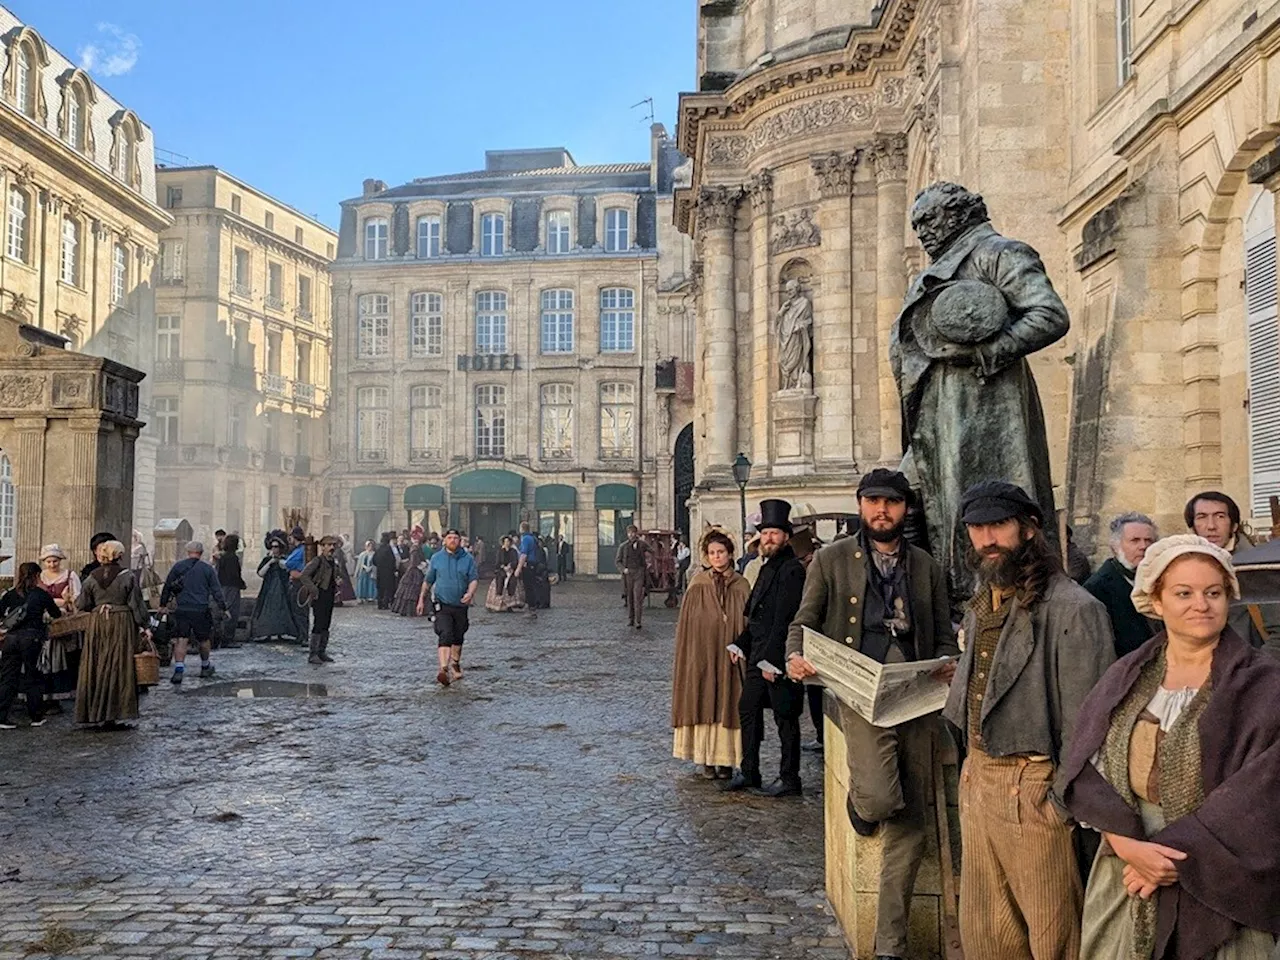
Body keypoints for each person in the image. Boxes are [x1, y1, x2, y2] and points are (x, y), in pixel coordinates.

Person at [1061, 535, 1280, 959]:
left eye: (1213, 592)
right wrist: (1127, 846)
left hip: (1225, 870)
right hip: (1129, 860)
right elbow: (1088, 768)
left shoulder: (1264, 684)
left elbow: (1264, 790)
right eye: (1184, 593)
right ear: (1156, 602)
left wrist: (1181, 855)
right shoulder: (1126, 678)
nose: (1201, 604)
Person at [786, 470, 958, 960]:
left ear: (905, 509)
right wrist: (796, 658)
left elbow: (943, 634)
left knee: (912, 822)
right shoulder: (831, 559)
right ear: (861, 505)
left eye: (893, 503)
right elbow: (805, 621)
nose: (883, 511)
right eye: (874, 502)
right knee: (883, 800)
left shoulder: (925, 565)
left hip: (918, 696)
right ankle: (861, 807)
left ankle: (890, 946)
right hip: (860, 695)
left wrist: (947, 665)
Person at [942, 480, 1116, 960]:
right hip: (978, 777)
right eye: (977, 528)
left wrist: (1058, 801)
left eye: (998, 525)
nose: (987, 540)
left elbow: (1089, 723)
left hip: (1034, 785)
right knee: (986, 933)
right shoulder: (984, 603)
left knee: (1052, 933)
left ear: (1029, 529)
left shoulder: (1075, 609)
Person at [891, 182, 1068, 600]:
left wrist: (987, 352)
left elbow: (1049, 314)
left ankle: (990, 591)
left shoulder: (999, 253)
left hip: (984, 404)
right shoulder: (935, 269)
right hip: (937, 405)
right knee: (911, 490)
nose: (923, 233)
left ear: (957, 215)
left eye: (929, 221)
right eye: (917, 226)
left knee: (978, 502)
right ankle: (944, 592)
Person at [724, 498, 808, 797]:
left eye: (774, 533)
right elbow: (758, 616)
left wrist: (774, 662)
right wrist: (740, 642)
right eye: (765, 533)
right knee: (747, 708)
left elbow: (786, 619)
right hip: (758, 655)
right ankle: (750, 771)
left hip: (779, 658)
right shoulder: (766, 567)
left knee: (785, 718)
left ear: (786, 536)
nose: (769, 538)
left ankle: (790, 778)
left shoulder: (792, 570)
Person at [671, 529, 751, 779]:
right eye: (712, 553)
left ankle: (726, 760)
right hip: (703, 653)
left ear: (730, 554)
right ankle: (705, 758)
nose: (717, 557)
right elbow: (688, 624)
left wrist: (742, 644)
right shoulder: (698, 583)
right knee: (704, 696)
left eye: (721, 552)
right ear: (707, 556)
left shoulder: (741, 584)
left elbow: (748, 620)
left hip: (730, 656)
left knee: (730, 699)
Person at [75, 540, 149, 727]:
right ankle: (114, 713)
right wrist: (145, 625)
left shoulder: (91, 577)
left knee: (96, 664)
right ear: (120, 556)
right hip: (121, 622)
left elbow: (82, 604)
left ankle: (93, 712)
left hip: (98, 623)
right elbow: (136, 604)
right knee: (119, 665)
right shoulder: (127, 576)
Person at [1084, 512, 1160, 658]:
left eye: (1149, 540)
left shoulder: (1159, 580)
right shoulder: (1097, 589)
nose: (1143, 546)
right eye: (1135, 540)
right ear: (1115, 547)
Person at [0, 562, 60, 728]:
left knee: (8, 677)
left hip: (10, 640)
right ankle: (35, 716)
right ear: (36, 576)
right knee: (33, 677)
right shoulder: (41, 595)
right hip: (32, 639)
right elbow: (56, 613)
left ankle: (1, 717)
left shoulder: (10, 594)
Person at [160, 541, 228, 685]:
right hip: (201, 609)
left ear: (187, 551)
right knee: (204, 639)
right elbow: (216, 590)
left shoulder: (178, 567)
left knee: (181, 639)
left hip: (182, 608)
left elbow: (167, 586)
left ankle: (179, 670)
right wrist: (223, 607)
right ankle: (205, 666)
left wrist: (163, 604)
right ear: (201, 553)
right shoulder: (208, 569)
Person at [419, 529, 478, 687]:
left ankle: (455, 663)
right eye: (449, 538)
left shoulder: (468, 559)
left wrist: (470, 593)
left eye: (455, 538)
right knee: (445, 633)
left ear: (460, 541)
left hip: (460, 604)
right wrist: (421, 599)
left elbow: (473, 579)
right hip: (442, 603)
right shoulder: (437, 558)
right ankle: (443, 669)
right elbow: (428, 580)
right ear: (444, 541)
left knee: (458, 635)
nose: (452, 540)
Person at [36, 544, 82, 704]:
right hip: (43, 621)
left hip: (63, 622)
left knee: (63, 658)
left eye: (54, 561)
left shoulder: (70, 576)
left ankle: (61, 694)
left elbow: (78, 599)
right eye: (48, 561)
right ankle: (44, 695)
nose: (52, 565)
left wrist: (68, 600)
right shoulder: (39, 577)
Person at [252, 532, 304, 641]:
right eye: (272, 547)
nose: (274, 549)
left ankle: (283, 631)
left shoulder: (286, 559)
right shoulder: (267, 560)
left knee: (284, 610)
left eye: (276, 547)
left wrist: (282, 563)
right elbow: (260, 573)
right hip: (268, 588)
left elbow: (289, 569)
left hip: (283, 589)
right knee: (268, 610)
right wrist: (270, 562)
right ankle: (267, 632)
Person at [299, 536, 340, 665]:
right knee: (318, 624)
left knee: (326, 624)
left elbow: (333, 577)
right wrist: (313, 590)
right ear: (322, 547)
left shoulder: (333, 561)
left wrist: (338, 581)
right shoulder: (317, 561)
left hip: (329, 596)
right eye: (328, 545)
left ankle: (322, 651)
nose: (331, 548)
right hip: (319, 596)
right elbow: (304, 575)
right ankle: (313, 654)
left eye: (333, 545)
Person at [615, 525, 651, 630]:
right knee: (629, 597)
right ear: (627, 534)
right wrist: (623, 569)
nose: (631, 535)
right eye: (630, 533)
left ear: (636, 533)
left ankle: (638, 621)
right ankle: (631, 619)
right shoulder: (623, 546)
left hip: (639, 572)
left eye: (633, 533)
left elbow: (652, 551)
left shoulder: (642, 544)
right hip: (628, 574)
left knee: (637, 597)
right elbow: (618, 561)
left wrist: (648, 562)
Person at [214, 533, 246, 649]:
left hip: (222, 586)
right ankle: (228, 639)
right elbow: (234, 575)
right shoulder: (232, 558)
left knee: (223, 611)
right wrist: (241, 584)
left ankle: (221, 637)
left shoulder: (222, 557)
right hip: (231, 587)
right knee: (232, 612)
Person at [485, 535, 527, 612]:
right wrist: (503, 567)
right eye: (505, 542)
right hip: (502, 571)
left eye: (508, 541)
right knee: (500, 580)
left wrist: (510, 566)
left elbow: (515, 561)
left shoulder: (513, 551)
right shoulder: (500, 551)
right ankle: (498, 604)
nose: (507, 543)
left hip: (511, 570)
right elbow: (497, 562)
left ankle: (510, 604)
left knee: (512, 582)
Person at [516, 522, 551, 611]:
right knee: (532, 585)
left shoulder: (526, 539)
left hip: (528, 564)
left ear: (522, 529)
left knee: (528, 586)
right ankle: (532, 604)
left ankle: (530, 605)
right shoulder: (533, 538)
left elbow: (524, 554)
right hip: (534, 564)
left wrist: (518, 568)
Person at [391, 534, 428, 617]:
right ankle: (410, 610)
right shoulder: (415, 549)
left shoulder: (416, 548)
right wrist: (423, 565)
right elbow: (414, 562)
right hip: (415, 571)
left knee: (413, 590)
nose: (416, 541)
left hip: (415, 570)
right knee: (412, 591)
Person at [374, 532, 399, 610]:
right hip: (388, 572)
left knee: (380, 588)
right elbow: (392, 560)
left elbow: (374, 560)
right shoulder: (389, 549)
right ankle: (385, 604)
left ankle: (379, 604)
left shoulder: (378, 549)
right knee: (388, 588)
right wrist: (394, 569)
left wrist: (379, 566)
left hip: (379, 571)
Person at [334, 536, 356, 605]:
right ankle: (338, 599)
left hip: (340, 569)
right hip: (339, 569)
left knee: (341, 585)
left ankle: (339, 599)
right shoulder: (338, 551)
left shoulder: (338, 551)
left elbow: (341, 561)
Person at [355, 539, 377, 603]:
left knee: (370, 584)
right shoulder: (362, 554)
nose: (369, 547)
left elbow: (375, 563)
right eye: (368, 546)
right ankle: (361, 596)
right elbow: (359, 564)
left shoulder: (374, 554)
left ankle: (370, 596)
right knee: (362, 584)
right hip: (363, 571)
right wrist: (357, 573)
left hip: (371, 572)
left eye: (371, 546)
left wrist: (371, 568)